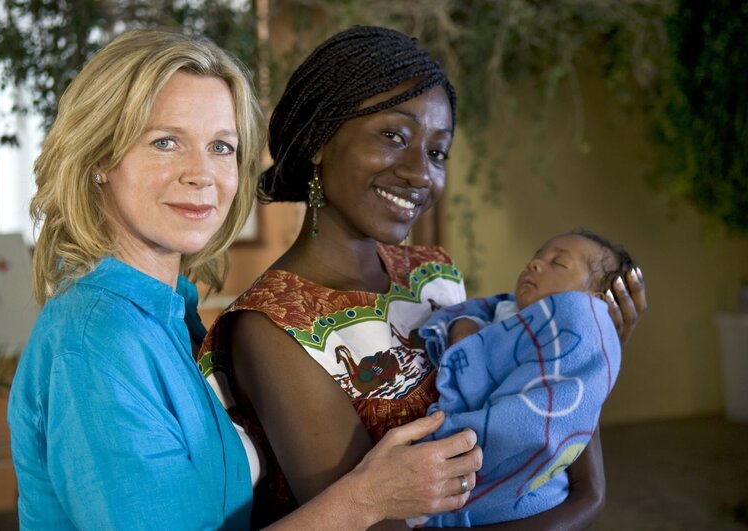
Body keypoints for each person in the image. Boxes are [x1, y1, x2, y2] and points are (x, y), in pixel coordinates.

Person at [7, 29, 482, 531]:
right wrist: (366, 499)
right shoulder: (98, 340)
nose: (202, 173)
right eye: (166, 142)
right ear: (101, 157)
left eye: (221, 147)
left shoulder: (168, 313)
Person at [198, 26, 647, 530]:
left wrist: (584, 346)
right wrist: (576, 507)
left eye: (438, 152)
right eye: (393, 136)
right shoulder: (274, 328)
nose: (420, 173)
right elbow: (372, 523)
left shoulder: (431, 272)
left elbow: (562, 463)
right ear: (321, 140)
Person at [409, 229, 636, 527]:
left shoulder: (577, 330)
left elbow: (566, 399)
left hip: (531, 487)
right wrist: (463, 328)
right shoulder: (501, 312)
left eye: (559, 263)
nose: (535, 264)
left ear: (591, 301)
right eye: (537, 256)